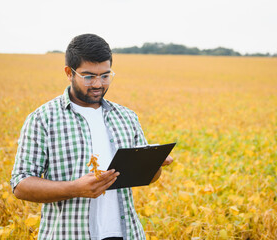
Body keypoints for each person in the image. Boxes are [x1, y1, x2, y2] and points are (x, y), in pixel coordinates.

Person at [10, 33, 173, 240]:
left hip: (126, 234)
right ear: (69, 73)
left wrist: (154, 163)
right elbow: (20, 185)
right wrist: (74, 188)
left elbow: (148, 178)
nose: (98, 84)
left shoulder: (127, 117)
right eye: (88, 76)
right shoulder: (43, 119)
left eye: (105, 76)